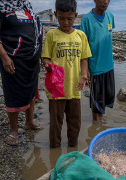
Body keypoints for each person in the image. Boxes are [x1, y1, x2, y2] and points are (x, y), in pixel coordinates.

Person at [0, 0, 43, 146]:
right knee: (13, 92)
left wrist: (40, 54)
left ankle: (29, 122)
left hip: (32, 59)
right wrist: (4, 57)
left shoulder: (25, 5)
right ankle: (13, 130)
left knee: (31, 90)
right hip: (13, 59)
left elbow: (36, 30)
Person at [41, 0, 92, 148]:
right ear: (56, 14)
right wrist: (46, 64)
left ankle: (73, 147)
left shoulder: (81, 36)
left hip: (74, 87)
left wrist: (83, 76)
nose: (65, 22)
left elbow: (84, 58)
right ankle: (55, 149)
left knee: (75, 121)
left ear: (75, 16)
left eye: (69, 19)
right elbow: (46, 57)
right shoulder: (52, 34)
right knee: (56, 122)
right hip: (57, 88)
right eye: (61, 18)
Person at [80, 0, 115, 121]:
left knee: (106, 99)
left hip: (109, 66)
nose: (105, 2)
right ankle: (96, 126)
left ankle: (100, 126)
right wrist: (86, 69)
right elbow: (83, 46)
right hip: (95, 68)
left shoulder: (110, 16)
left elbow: (108, 35)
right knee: (96, 104)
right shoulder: (87, 19)